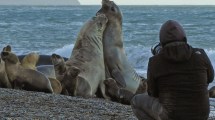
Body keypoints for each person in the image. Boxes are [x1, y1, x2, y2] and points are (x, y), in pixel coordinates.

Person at [130, 20, 214, 120]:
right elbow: (210, 78)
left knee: (135, 101)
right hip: (201, 115)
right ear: (185, 38)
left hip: (172, 116)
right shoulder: (200, 54)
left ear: (161, 43)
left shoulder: (155, 61)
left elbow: (152, 92)